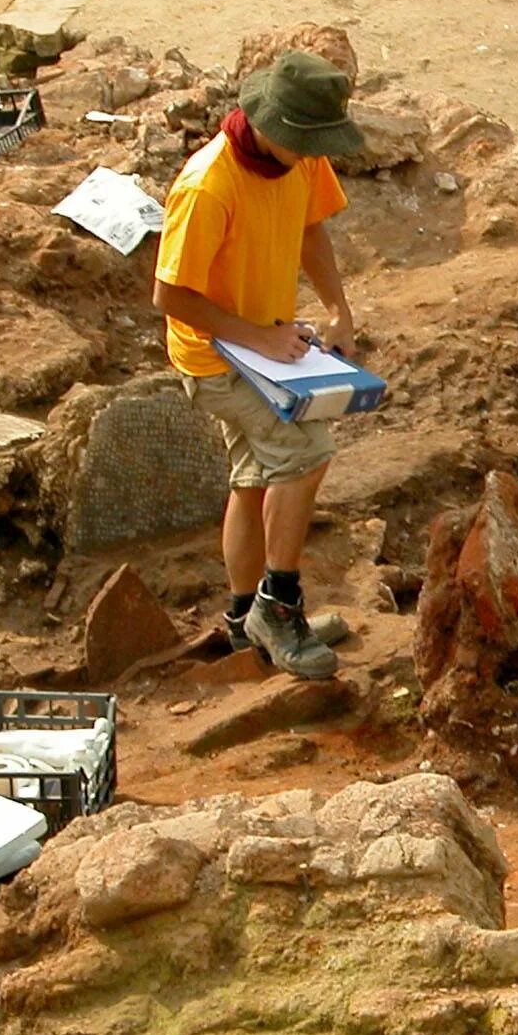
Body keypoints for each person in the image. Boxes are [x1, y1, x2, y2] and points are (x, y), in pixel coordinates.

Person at [152, 50, 364, 678]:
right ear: (272, 125)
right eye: (309, 141)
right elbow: (170, 295)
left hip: (262, 347)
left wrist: (338, 309)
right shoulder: (207, 185)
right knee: (307, 453)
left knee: (251, 480)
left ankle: (244, 620)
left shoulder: (300, 153)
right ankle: (279, 605)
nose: (316, 152)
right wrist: (257, 339)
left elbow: (310, 229)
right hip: (214, 358)